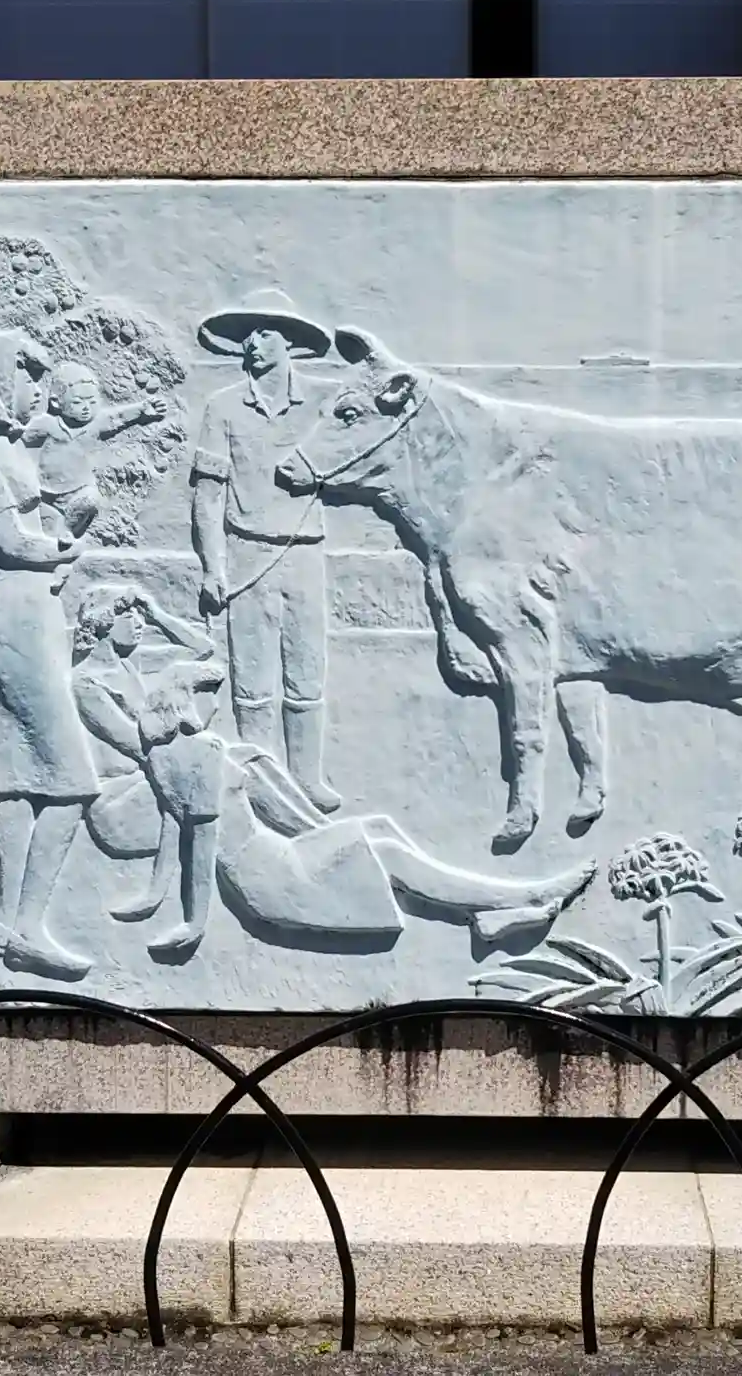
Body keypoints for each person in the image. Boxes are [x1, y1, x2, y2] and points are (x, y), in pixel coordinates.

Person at [121, 654, 598, 952]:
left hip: (278, 858)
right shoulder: (202, 756)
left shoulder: (171, 757)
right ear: (184, 702)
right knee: (384, 851)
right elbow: (197, 843)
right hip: (272, 877)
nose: (214, 705)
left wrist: (152, 898)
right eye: (207, 695)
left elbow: (176, 834)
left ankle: (484, 914)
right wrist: (193, 923)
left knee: (378, 829)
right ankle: (526, 897)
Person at [0, 331, 101, 978]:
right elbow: (9, 541)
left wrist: (66, 521)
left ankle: (11, 928)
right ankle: (27, 925)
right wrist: (65, 547)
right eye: (30, 377)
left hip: (30, 608)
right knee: (71, 780)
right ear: (2, 377)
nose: (38, 391)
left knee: (17, 775)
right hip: (15, 607)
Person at [190, 289, 343, 812]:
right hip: (246, 554)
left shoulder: (322, 403)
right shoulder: (223, 407)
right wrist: (213, 567)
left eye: (265, 333)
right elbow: (208, 495)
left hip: (304, 551)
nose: (253, 343)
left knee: (306, 669)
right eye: (248, 335)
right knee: (252, 677)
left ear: (289, 341)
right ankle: (261, 780)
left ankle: (307, 778)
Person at [68, 582, 218, 942]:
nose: (140, 623)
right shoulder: (86, 682)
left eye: (141, 616)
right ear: (104, 623)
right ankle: (190, 917)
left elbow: (204, 649)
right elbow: (139, 746)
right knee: (215, 775)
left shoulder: (130, 665)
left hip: (154, 785)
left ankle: (309, 830)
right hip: (118, 806)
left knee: (247, 763)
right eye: (130, 615)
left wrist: (158, 615)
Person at [23, 361, 171, 539]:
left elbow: (117, 417)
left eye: (92, 402)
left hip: (78, 489)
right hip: (45, 490)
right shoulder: (48, 424)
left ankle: (67, 530)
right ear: (56, 402)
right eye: (78, 402)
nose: (86, 408)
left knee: (90, 500)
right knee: (38, 516)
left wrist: (141, 410)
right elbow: (23, 437)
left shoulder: (95, 425)